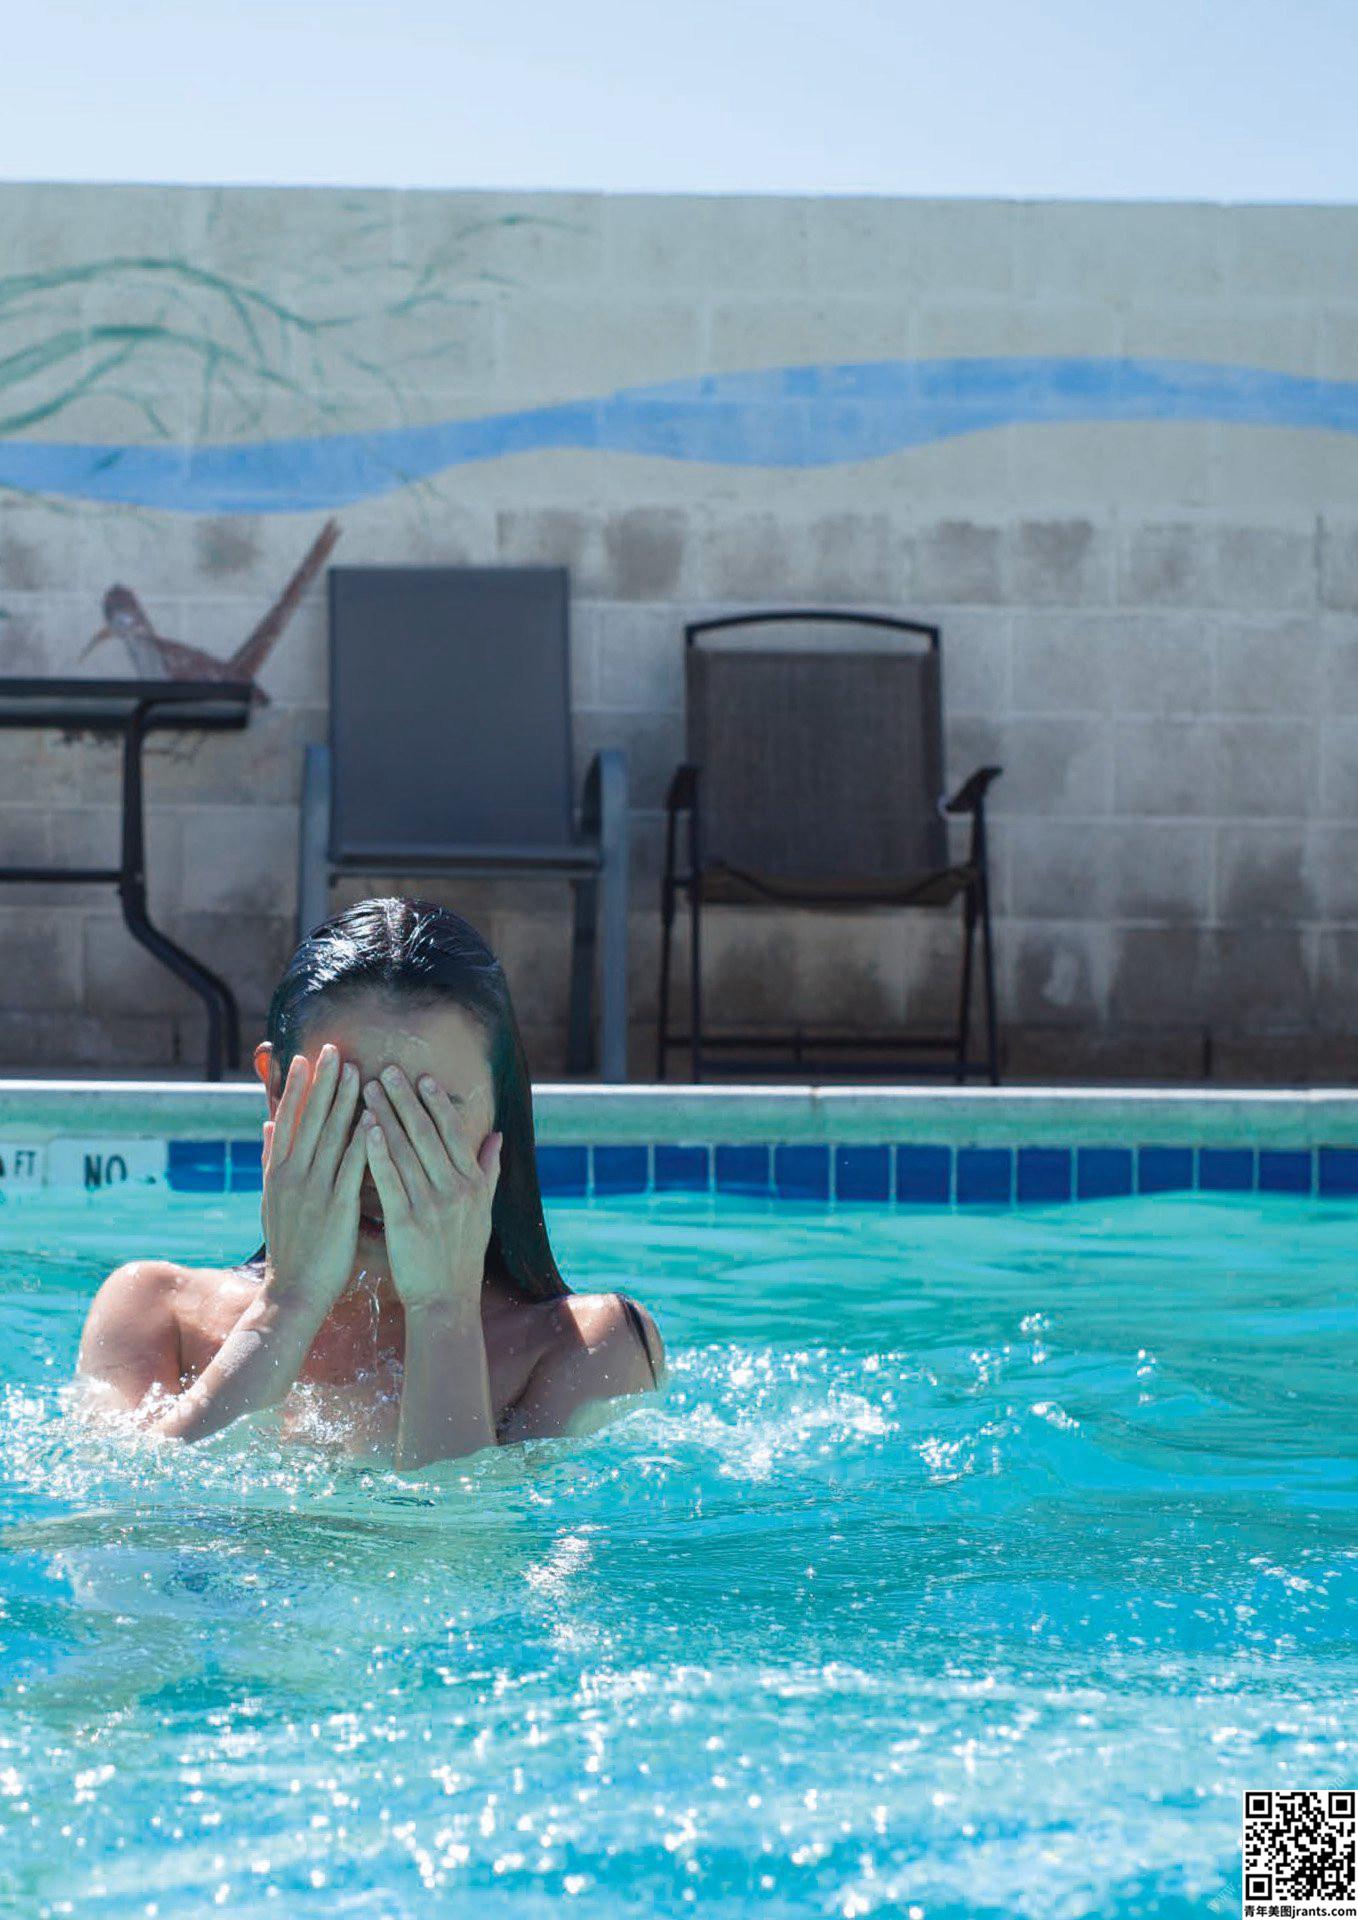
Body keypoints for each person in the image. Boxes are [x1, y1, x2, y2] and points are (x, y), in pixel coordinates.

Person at [74, 897, 665, 1469]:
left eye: (426, 1114)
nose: (381, 1157)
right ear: (276, 1091)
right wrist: (288, 1303)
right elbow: (130, 1529)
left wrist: (444, 1310)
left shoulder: (588, 1348)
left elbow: (465, 1561)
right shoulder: (155, 1311)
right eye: (345, 1103)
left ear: (499, 1112)